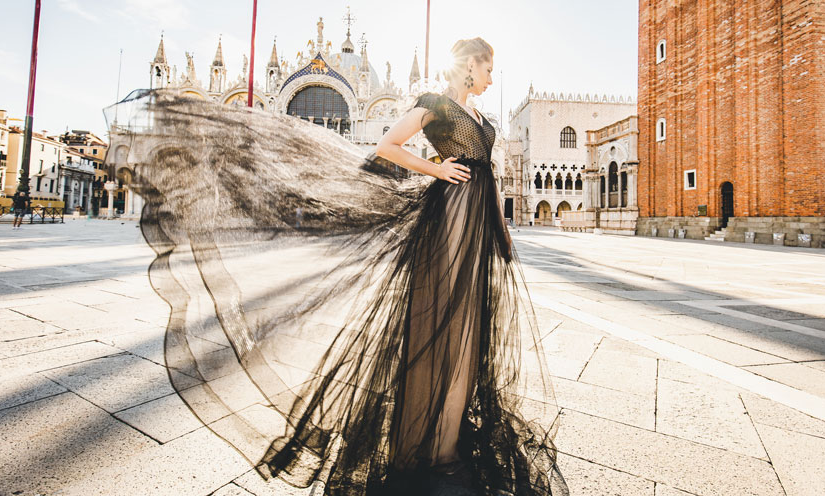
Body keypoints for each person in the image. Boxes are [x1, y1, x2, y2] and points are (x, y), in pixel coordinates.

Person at [125, 38, 567, 496]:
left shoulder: (481, 118)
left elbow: (489, 175)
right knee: (446, 326)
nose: (493, 77)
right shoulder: (434, 104)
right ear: (469, 66)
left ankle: (449, 439)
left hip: (477, 221)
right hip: (450, 217)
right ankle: (434, 447)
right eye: (489, 68)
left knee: (469, 334)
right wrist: (436, 170)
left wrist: (501, 229)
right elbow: (387, 146)